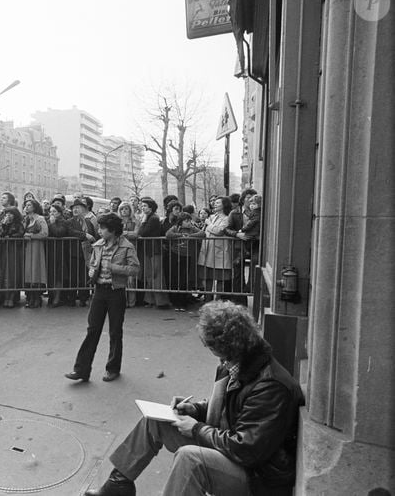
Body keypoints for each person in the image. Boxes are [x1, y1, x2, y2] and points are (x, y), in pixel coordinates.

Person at [85, 301, 304, 496]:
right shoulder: (237, 363)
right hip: (237, 454)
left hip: (257, 477)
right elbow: (233, 409)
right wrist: (195, 410)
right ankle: (118, 485)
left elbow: (246, 449)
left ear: (226, 347)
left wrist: (197, 429)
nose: (211, 352)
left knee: (190, 458)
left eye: (211, 347)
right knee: (155, 421)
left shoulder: (270, 386)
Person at [65, 213, 140, 383]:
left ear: (112, 230)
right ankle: (81, 369)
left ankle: (113, 369)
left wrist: (114, 268)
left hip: (116, 292)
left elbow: (135, 269)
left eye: (102, 228)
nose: (99, 231)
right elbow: (92, 264)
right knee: (92, 330)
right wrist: (92, 271)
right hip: (99, 291)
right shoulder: (98, 245)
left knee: (115, 331)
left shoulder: (127, 247)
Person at [137, 197, 170, 309]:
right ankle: (151, 300)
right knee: (149, 275)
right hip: (148, 249)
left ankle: (160, 301)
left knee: (156, 275)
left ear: (151, 207)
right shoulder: (149, 217)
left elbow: (143, 233)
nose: (142, 207)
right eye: (142, 206)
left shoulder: (153, 218)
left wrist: (143, 221)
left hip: (154, 249)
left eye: (145, 206)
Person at [198, 196, 233, 298]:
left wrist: (209, 224)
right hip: (208, 251)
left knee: (220, 280)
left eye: (218, 203)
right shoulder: (212, 217)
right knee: (208, 278)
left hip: (219, 252)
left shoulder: (226, 218)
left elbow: (219, 231)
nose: (214, 204)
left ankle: (218, 302)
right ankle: (207, 300)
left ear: (224, 205)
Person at [22, 198, 48, 308]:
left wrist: (31, 236)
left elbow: (45, 233)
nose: (27, 207)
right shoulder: (26, 219)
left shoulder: (40, 218)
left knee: (36, 271)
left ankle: (37, 298)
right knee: (29, 272)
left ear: (34, 207)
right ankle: (31, 298)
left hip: (37, 247)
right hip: (28, 248)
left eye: (29, 205)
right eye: (26, 205)